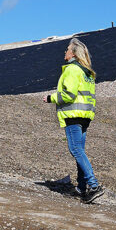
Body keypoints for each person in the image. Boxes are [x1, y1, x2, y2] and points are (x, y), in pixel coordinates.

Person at [44, 38, 104, 203]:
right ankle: (82, 187)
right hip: (85, 116)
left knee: (76, 150)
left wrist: (50, 98)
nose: (65, 52)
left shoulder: (71, 70)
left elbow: (69, 95)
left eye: (67, 49)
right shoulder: (87, 73)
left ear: (73, 53)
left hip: (73, 114)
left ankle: (93, 185)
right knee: (80, 151)